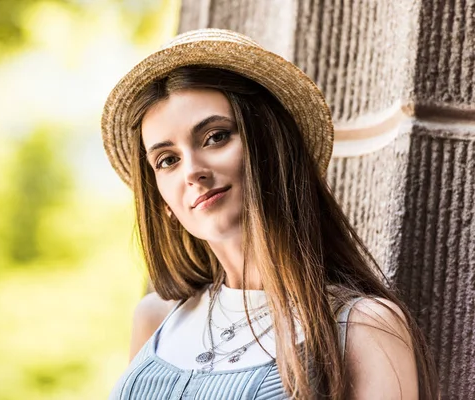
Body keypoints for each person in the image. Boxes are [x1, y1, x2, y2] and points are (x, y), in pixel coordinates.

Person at [102, 29, 438, 399]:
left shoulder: (361, 327)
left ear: (271, 147)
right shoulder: (156, 319)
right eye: (167, 160)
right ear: (163, 202)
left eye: (215, 136)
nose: (192, 171)